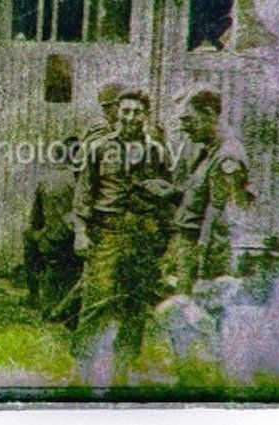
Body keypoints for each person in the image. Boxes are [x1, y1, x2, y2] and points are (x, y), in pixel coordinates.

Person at [72, 89, 171, 385]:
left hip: (142, 237)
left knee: (135, 304)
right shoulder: (99, 149)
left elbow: (168, 195)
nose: (130, 117)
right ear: (117, 112)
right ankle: (82, 369)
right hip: (107, 234)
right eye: (125, 111)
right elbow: (83, 196)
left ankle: (122, 370)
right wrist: (80, 233)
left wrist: (163, 241)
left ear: (145, 115)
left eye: (137, 112)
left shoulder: (157, 152)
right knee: (97, 300)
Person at [146, 89, 255, 295]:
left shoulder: (226, 157)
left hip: (202, 251)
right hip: (190, 245)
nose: (183, 127)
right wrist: (174, 193)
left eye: (188, 119)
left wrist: (202, 263)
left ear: (209, 114)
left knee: (192, 311)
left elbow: (220, 216)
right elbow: (203, 197)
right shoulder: (207, 150)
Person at [23, 136, 85, 318]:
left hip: (51, 242)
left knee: (32, 242)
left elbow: (35, 219)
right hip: (75, 244)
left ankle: (36, 297)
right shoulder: (80, 180)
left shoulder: (46, 179)